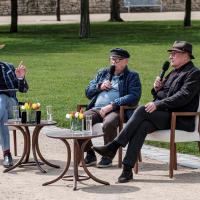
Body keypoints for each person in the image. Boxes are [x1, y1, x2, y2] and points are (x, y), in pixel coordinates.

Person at [92, 41, 200, 182]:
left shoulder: (194, 73)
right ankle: (127, 169)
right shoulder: (173, 72)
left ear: (186, 56)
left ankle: (114, 145)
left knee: (142, 109)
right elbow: (162, 97)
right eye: (171, 54)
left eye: (174, 54)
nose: (170, 57)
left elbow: (183, 97)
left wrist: (158, 104)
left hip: (178, 118)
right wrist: (157, 90)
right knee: (142, 126)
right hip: (163, 116)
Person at [78, 47, 141, 168]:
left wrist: (113, 105)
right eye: (112, 59)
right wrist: (100, 86)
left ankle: (107, 156)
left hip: (117, 109)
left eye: (118, 60)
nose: (114, 62)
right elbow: (87, 93)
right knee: (79, 120)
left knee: (109, 123)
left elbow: (134, 97)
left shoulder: (132, 76)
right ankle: (90, 154)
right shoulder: (102, 73)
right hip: (96, 109)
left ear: (126, 61)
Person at [0, 44, 29, 168]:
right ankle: (7, 154)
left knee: (3, 97)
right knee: (3, 114)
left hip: (12, 106)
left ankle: (7, 154)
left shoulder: (8, 67)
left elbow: (23, 90)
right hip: (3, 111)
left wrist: (20, 78)